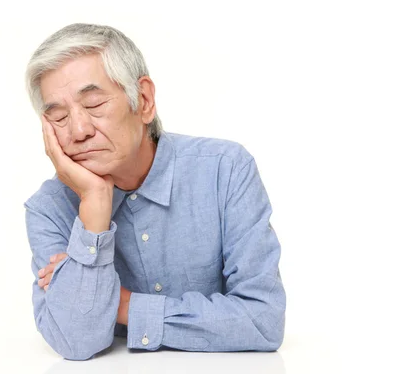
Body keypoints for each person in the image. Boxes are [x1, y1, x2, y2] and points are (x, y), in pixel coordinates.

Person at [23, 23, 286, 361]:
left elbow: (263, 320)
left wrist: (124, 305)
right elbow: (76, 341)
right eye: (58, 117)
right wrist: (94, 210)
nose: (78, 130)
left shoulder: (226, 169)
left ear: (144, 100)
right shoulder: (48, 208)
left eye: (93, 104)